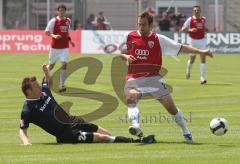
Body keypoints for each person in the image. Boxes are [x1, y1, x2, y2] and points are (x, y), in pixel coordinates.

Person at [120, 11, 213, 143]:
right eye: (139, 24)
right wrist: (126, 56)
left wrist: (201, 51)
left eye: (144, 25)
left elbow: (181, 48)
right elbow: (122, 52)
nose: (140, 27)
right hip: (134, 77)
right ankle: (135, 126)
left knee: (171, 108)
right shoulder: (129, 36)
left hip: (154, 79)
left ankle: (185, 130)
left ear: (151, 25)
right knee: (131, 99)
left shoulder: (159, 39)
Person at [19, 64, 156, 145]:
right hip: (66, 134)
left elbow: (48, 83)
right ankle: (139, 141)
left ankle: (119, 140)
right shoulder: (28, 109)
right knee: (103, 138)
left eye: (38, 85)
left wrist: (46, 72)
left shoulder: (43, 92)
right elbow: (22, 130)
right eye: (35, 86)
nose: (39, 87)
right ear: (29, 91)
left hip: (72, 120)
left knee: (105, 132)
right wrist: (26, 143)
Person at [45, 4, 75, 92]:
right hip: (55, 48)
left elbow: (67, 33)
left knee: (64, 64)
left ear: (65, 11)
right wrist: (54, 36)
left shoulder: (68, 21)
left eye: (63, 10)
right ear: (58, 11)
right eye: (60, 10)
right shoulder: (53, 21)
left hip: (65, 47)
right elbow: (46, 32)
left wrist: (70, 41)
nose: (61, 12)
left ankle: (62, 85)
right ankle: (45, 73)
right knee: (51, 66)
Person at [181, 5, 209, 84]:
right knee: (192, 60)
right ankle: (188, 70)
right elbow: (182, 29)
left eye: (198, 10)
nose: (196, 11)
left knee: (203, 58)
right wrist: (190, 29)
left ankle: (202, 78)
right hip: (193, 41)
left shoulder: (203, 19)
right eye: (195, 10)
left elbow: (204, 27)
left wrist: (206, 29)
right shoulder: (190, 19)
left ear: (200, 11)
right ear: (193, 11)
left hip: (202, 40)